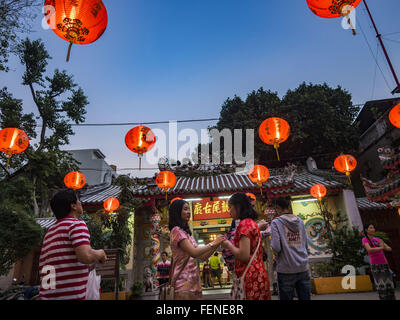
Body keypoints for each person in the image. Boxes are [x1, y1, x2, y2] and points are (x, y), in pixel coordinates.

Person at [39, 189, 107, 300]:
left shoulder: (50, 231)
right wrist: (101, 254)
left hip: (48, 296)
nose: (81, 202)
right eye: (78, 200)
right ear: (73, 206)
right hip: (70, 296)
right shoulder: (76, 224)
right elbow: (86, 256)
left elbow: (61, 264)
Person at [169, 199, 225, 299]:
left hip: (194, 283)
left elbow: (203, 256)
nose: (189, 212)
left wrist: (217, 244)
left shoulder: (187, 234)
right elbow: (194, 252)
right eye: (185, 209)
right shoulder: (176, 230)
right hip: (183, 283)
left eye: (189, 209)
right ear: (177, 212)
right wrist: (213, 243)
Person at [222, 193, 271, 300]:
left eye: (230, 207)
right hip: (257, 274)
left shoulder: (244, 225)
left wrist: (227, 244)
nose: (229, 211)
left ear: (238, 207)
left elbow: (243, 255)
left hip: (251, 278)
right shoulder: (251, 223)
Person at [270, 197, 310, 300]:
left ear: (278, 208)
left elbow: (276, 246)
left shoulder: (276, 222)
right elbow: (305, 244)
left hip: (285, 268)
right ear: (288, 207)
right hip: (303, 267)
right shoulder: (300, 221)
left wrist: (275, 254)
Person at [362, 223, 396, 300]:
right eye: (370, 228)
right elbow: (369, 249)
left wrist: (384, 246)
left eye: (373, 228)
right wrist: (381, 247)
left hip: (384, 263)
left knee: (389, 284)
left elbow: (389, 248)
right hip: (375, 265)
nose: (373, 229)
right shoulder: (365, 239)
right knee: (381, 285)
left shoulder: (378, 239)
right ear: (366, 230)